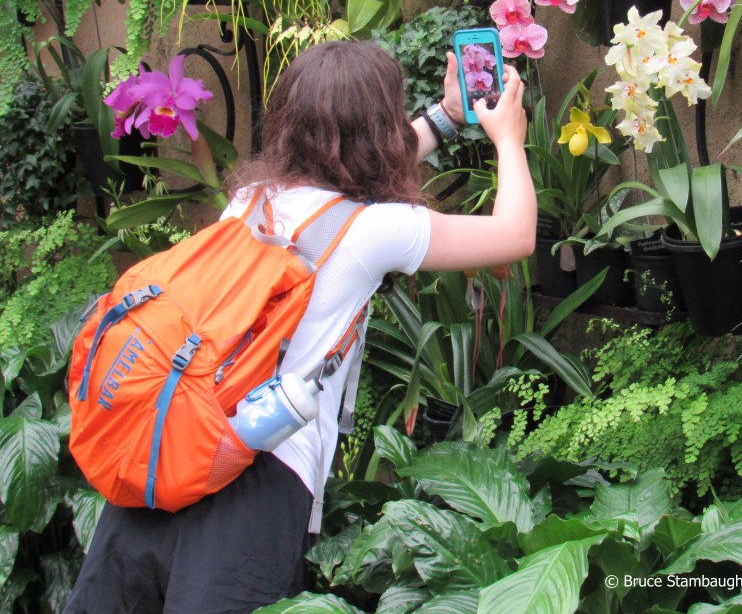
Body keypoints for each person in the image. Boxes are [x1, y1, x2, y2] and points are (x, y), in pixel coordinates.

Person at [64, 40, 535, 614]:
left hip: (169, 442)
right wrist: (508, 139)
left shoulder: (252, 200)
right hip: (257, 476)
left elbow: (351, 171)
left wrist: (444, 119)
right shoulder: (378, 231)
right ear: (379, 130)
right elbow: (516, 235)